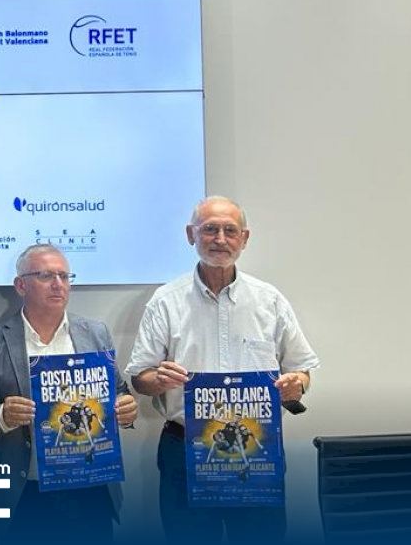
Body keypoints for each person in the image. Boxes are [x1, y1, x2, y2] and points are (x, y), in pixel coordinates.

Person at [125, 195, 320, 542]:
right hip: (185, 449)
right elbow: (140, 378)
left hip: (256, 448)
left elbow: (302, 370)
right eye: (210, 229)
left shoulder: (270, 300)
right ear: (191, 235)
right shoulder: (166, 301)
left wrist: (298, 384)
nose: (220, 239)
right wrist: (159, 380)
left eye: (230, 231)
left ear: (244, 238)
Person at [0, 244, 138, 540]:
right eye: (45, 276)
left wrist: (126, 407)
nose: (58, 284)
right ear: (21, 285)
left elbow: (118, 392)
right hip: (25, 492)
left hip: (90, 487)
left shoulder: (96, 333)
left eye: (64, 276)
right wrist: (3, 415)